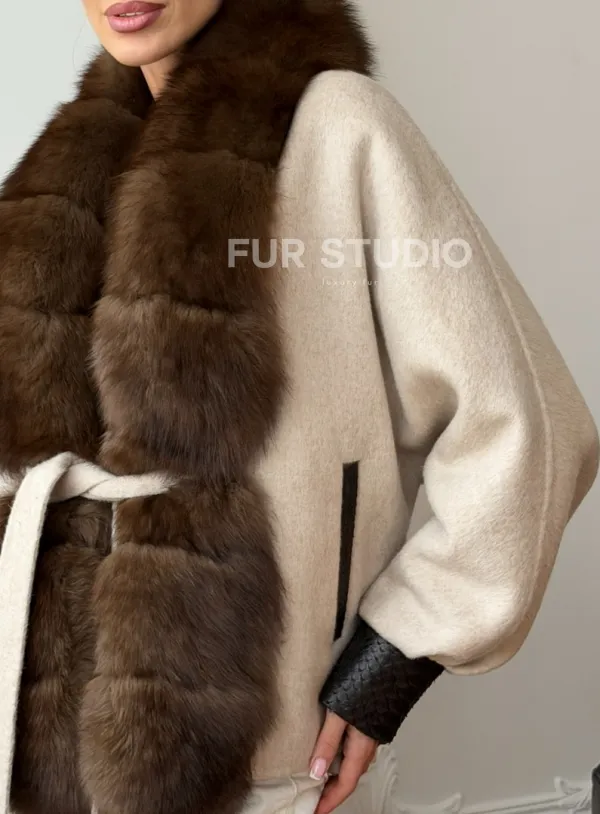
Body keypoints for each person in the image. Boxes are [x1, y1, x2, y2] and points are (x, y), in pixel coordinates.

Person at [0, 1, 597, 814]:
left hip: (270, 760)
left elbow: (528, 424)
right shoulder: (63, 162)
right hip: (43, 755)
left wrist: (388, 665)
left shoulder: (340, 125)